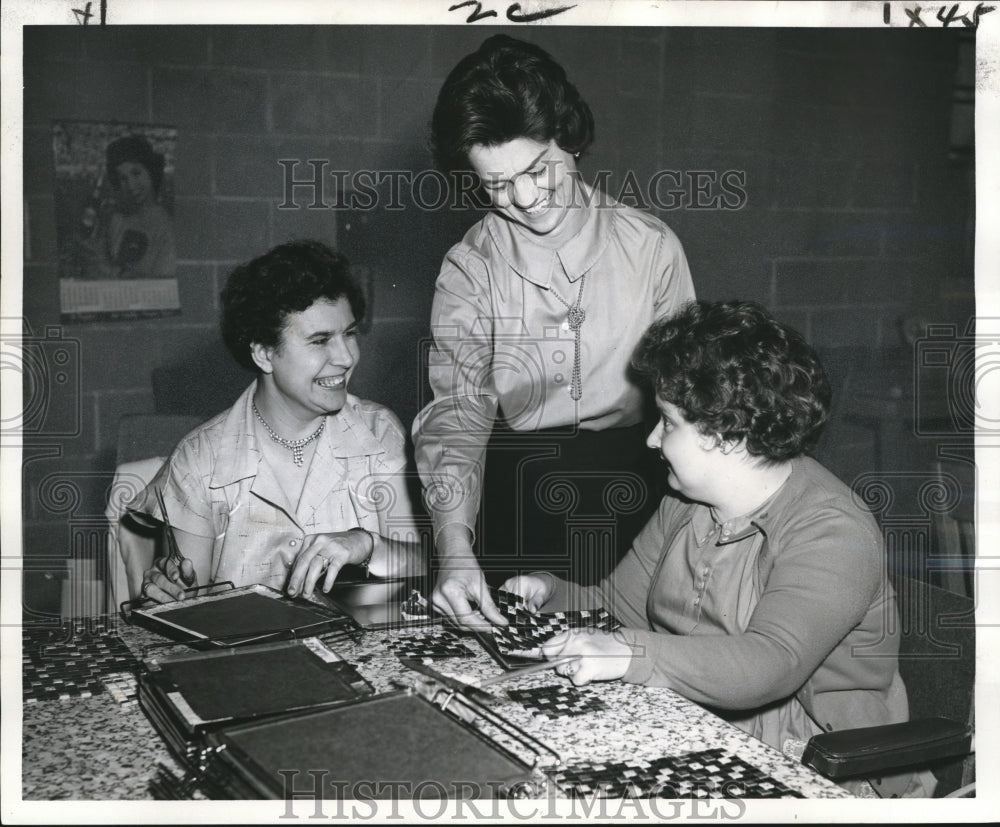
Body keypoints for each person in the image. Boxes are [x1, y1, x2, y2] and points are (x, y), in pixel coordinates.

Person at [501, 300, 935, 798]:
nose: (651, 440)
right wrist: (546, 591)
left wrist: (628, 653)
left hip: (821, 767)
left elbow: (769, 664)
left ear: (725, 435)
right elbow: (618, 609)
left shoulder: (833, 529)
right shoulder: (685, 503)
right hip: (705, 731)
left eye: (668, 422)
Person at [413, 34, 695, 631]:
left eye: (539, 170)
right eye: (495, 185)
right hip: (519, 490)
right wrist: (454, 550)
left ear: (567, 137)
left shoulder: (651, 249)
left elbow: (696, 403)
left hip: (639, 489)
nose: (524, 199)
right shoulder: (470, 268)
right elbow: (456, 421)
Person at [125, 240, 425, 603]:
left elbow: (424, 565)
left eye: (349, 334)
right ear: (265, 354)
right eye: (320, 341)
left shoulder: (380, 432)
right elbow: (190, 608)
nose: (346, 357)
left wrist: (368, 544)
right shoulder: (200, 461)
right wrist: (171, 594)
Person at [102, 134, 177, 279]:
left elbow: (163, 287)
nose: (130, 185)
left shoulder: (167, 229)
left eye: (136, 173)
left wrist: (111, 271)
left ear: (151, 171)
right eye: (123, 178)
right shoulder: (116, 220)